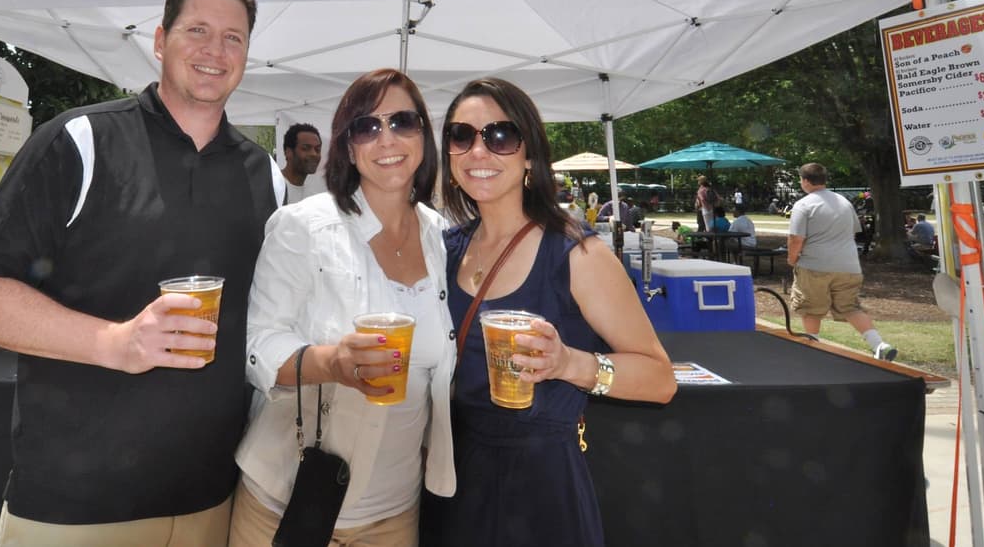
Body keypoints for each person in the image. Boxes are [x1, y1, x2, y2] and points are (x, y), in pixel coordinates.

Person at [0, 0, 283, 546]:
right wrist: (117, 343)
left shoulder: (266, 177)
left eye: (234, 38)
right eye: (196, 30)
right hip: (77, 508)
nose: (214, 50)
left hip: (212, 501)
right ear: (159, 40)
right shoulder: (80, 141)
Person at [420, 78, 675, 547]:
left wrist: (571, 364)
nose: (479, 151)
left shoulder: (577, 253)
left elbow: (660, 379)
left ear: (530, 154)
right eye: (462, 136)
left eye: (500, 136)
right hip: (451, 479)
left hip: (539, 485)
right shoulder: (445, 249)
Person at [230, 68, 455, 546]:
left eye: (403, 122)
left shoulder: (443, 239)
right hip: (288, 503)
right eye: (366, 127)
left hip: (396, 512)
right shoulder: (303, 226)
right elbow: (254, 345)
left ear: (423, 135)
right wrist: (330, 362)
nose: (386, 138)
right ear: (348, 147)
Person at [788, 163, 896, 362]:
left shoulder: (803, 205)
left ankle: (813, 347)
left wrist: (792, 259)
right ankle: (879, 344)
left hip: (815, 265)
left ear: (805, 181)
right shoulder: (844, 202)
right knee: (850, 307)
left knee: (811, 308)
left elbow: (796, 239)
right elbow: (854, 231)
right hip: (848, 266)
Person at [280, 122, 322, 204]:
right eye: (305, 148)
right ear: (288, 152)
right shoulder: (273, 188)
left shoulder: (312, 198)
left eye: (317, 149)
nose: (314, 154)